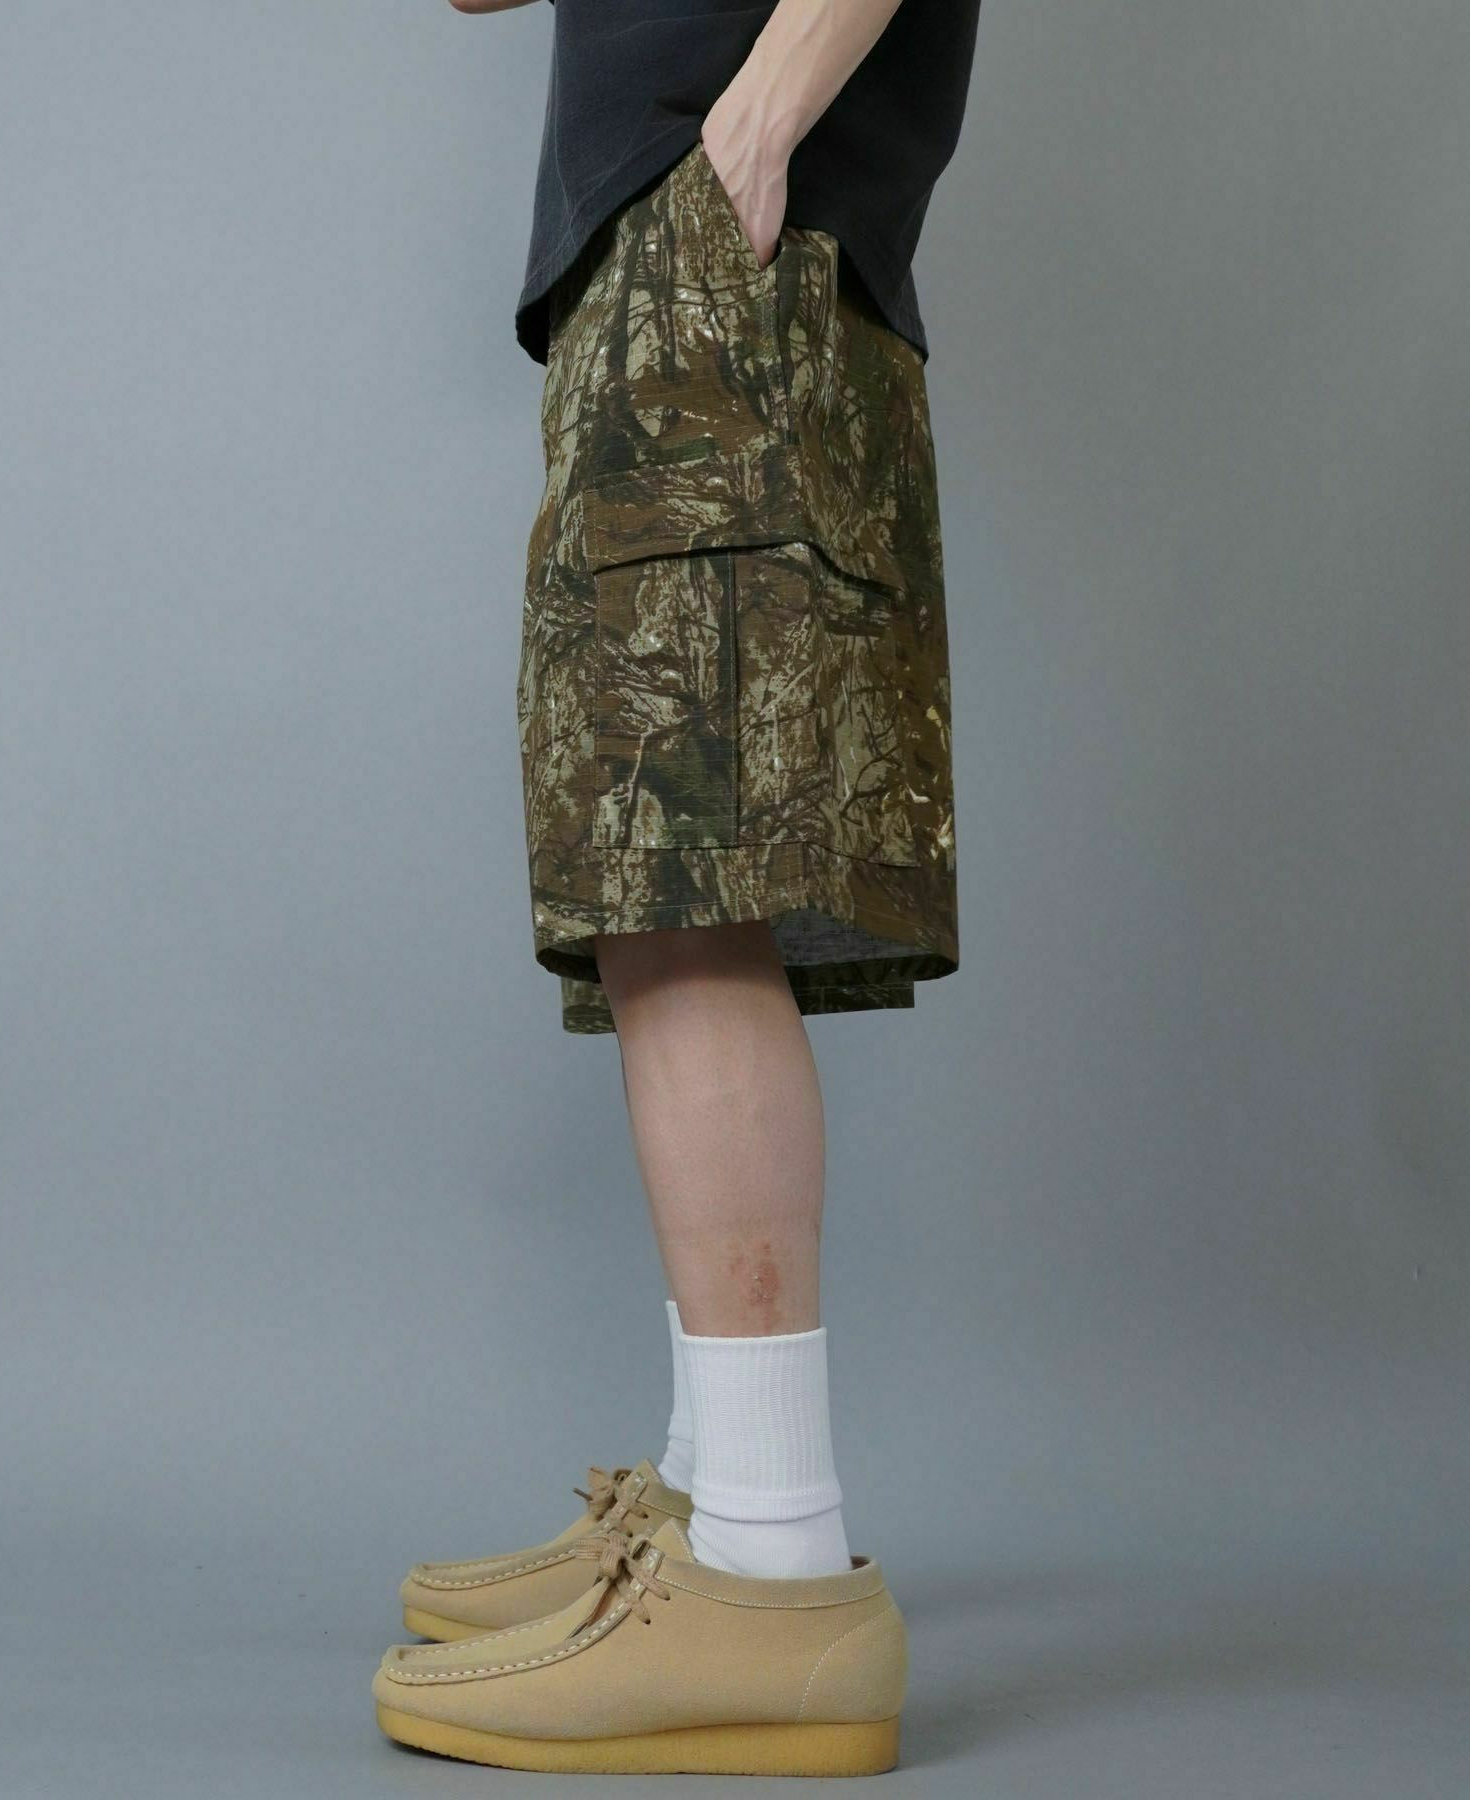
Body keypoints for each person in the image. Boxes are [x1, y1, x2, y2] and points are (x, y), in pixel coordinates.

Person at [373, 0, 981, 1776]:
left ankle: (770, 1566)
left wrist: (758, 123)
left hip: (716, 237)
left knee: (688, 902)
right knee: (660, 903)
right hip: (674, 250)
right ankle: (717, 1501)